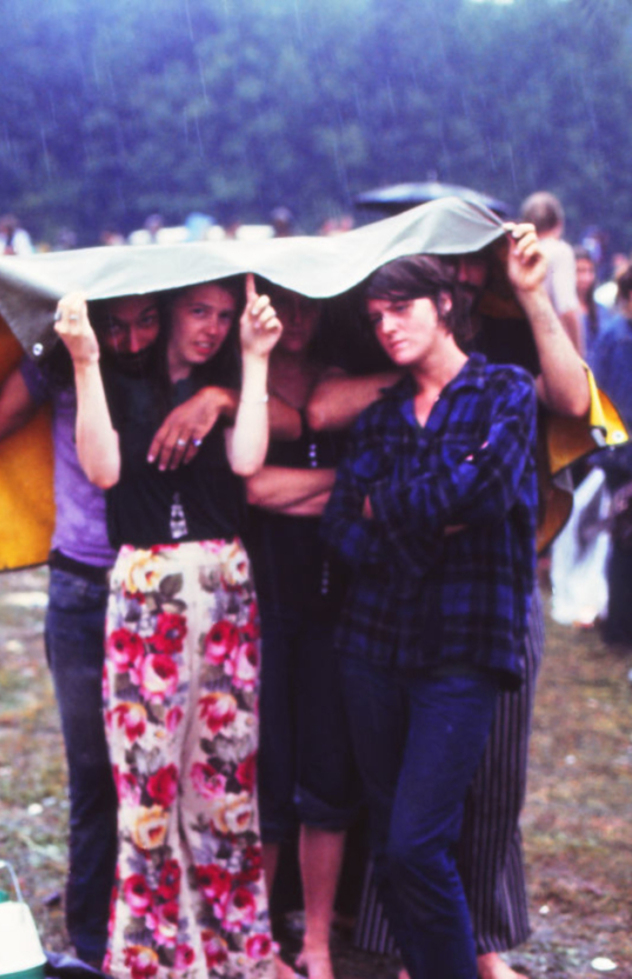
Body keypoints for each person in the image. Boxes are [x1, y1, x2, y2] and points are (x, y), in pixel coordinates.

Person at [0, 256, 251, 968]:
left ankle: (160, 930)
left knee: (181, 775)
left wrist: (222, 400)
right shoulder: (63, 365)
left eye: (147, 319)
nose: (132, 338)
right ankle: (91, 939)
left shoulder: (186, 368)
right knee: (96, 774)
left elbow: (274, 403)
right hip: (87, 587)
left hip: (170, 592)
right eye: (117, 323)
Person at [308, 224, 591, 979]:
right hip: (372, 647)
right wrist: (435, 514)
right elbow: (342, 526)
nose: (387, 325)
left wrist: (388, 508)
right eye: (375, 316)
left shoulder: (502, 391)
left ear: (443, 304)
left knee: (416, 840)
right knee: (398, 842)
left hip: (465, 647)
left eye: (400, 307)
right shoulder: (378, 416)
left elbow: (492, 488)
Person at [54, 275, 285, 979]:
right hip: (148, 587)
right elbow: (101, 468)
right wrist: (86, 360)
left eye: (221, 314)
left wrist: (256, 357)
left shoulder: (227, 384)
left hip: (223, 583)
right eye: (197, 311)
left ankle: (238, 954)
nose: (210, 327)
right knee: (148, 779)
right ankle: (156, 957)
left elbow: (248, 460)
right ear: (168, 309)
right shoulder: (122, 382)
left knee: (224, 774)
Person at [244, 285, 354, 979]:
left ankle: (315, 941)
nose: (301, 319)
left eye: (314, 305)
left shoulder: (343, 381)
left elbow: (368, 492)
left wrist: (306, 484)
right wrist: (341, 483)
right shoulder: (243, 381)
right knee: (266, 773)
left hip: (334, 599)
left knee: (327, 774)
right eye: (289, 303)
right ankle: (260, 936)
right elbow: (251, 488)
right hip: (259, 600)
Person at [589, 266, 632, 645]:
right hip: (622, 457)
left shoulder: (611, 337)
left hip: (619, 453)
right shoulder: (613, 339)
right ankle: (619, 627)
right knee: (623, 541)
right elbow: (597, 395)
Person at [519, 192, 581, 356]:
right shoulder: (560, 251)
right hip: (551, 346)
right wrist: (578, 354)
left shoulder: (517, 253)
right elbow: (567, 309)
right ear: (559, 224)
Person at [575, 246, 614, 365]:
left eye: (590, 271)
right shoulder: (562, 311)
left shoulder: (601, 311)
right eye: (580, 271)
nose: (586, 278)